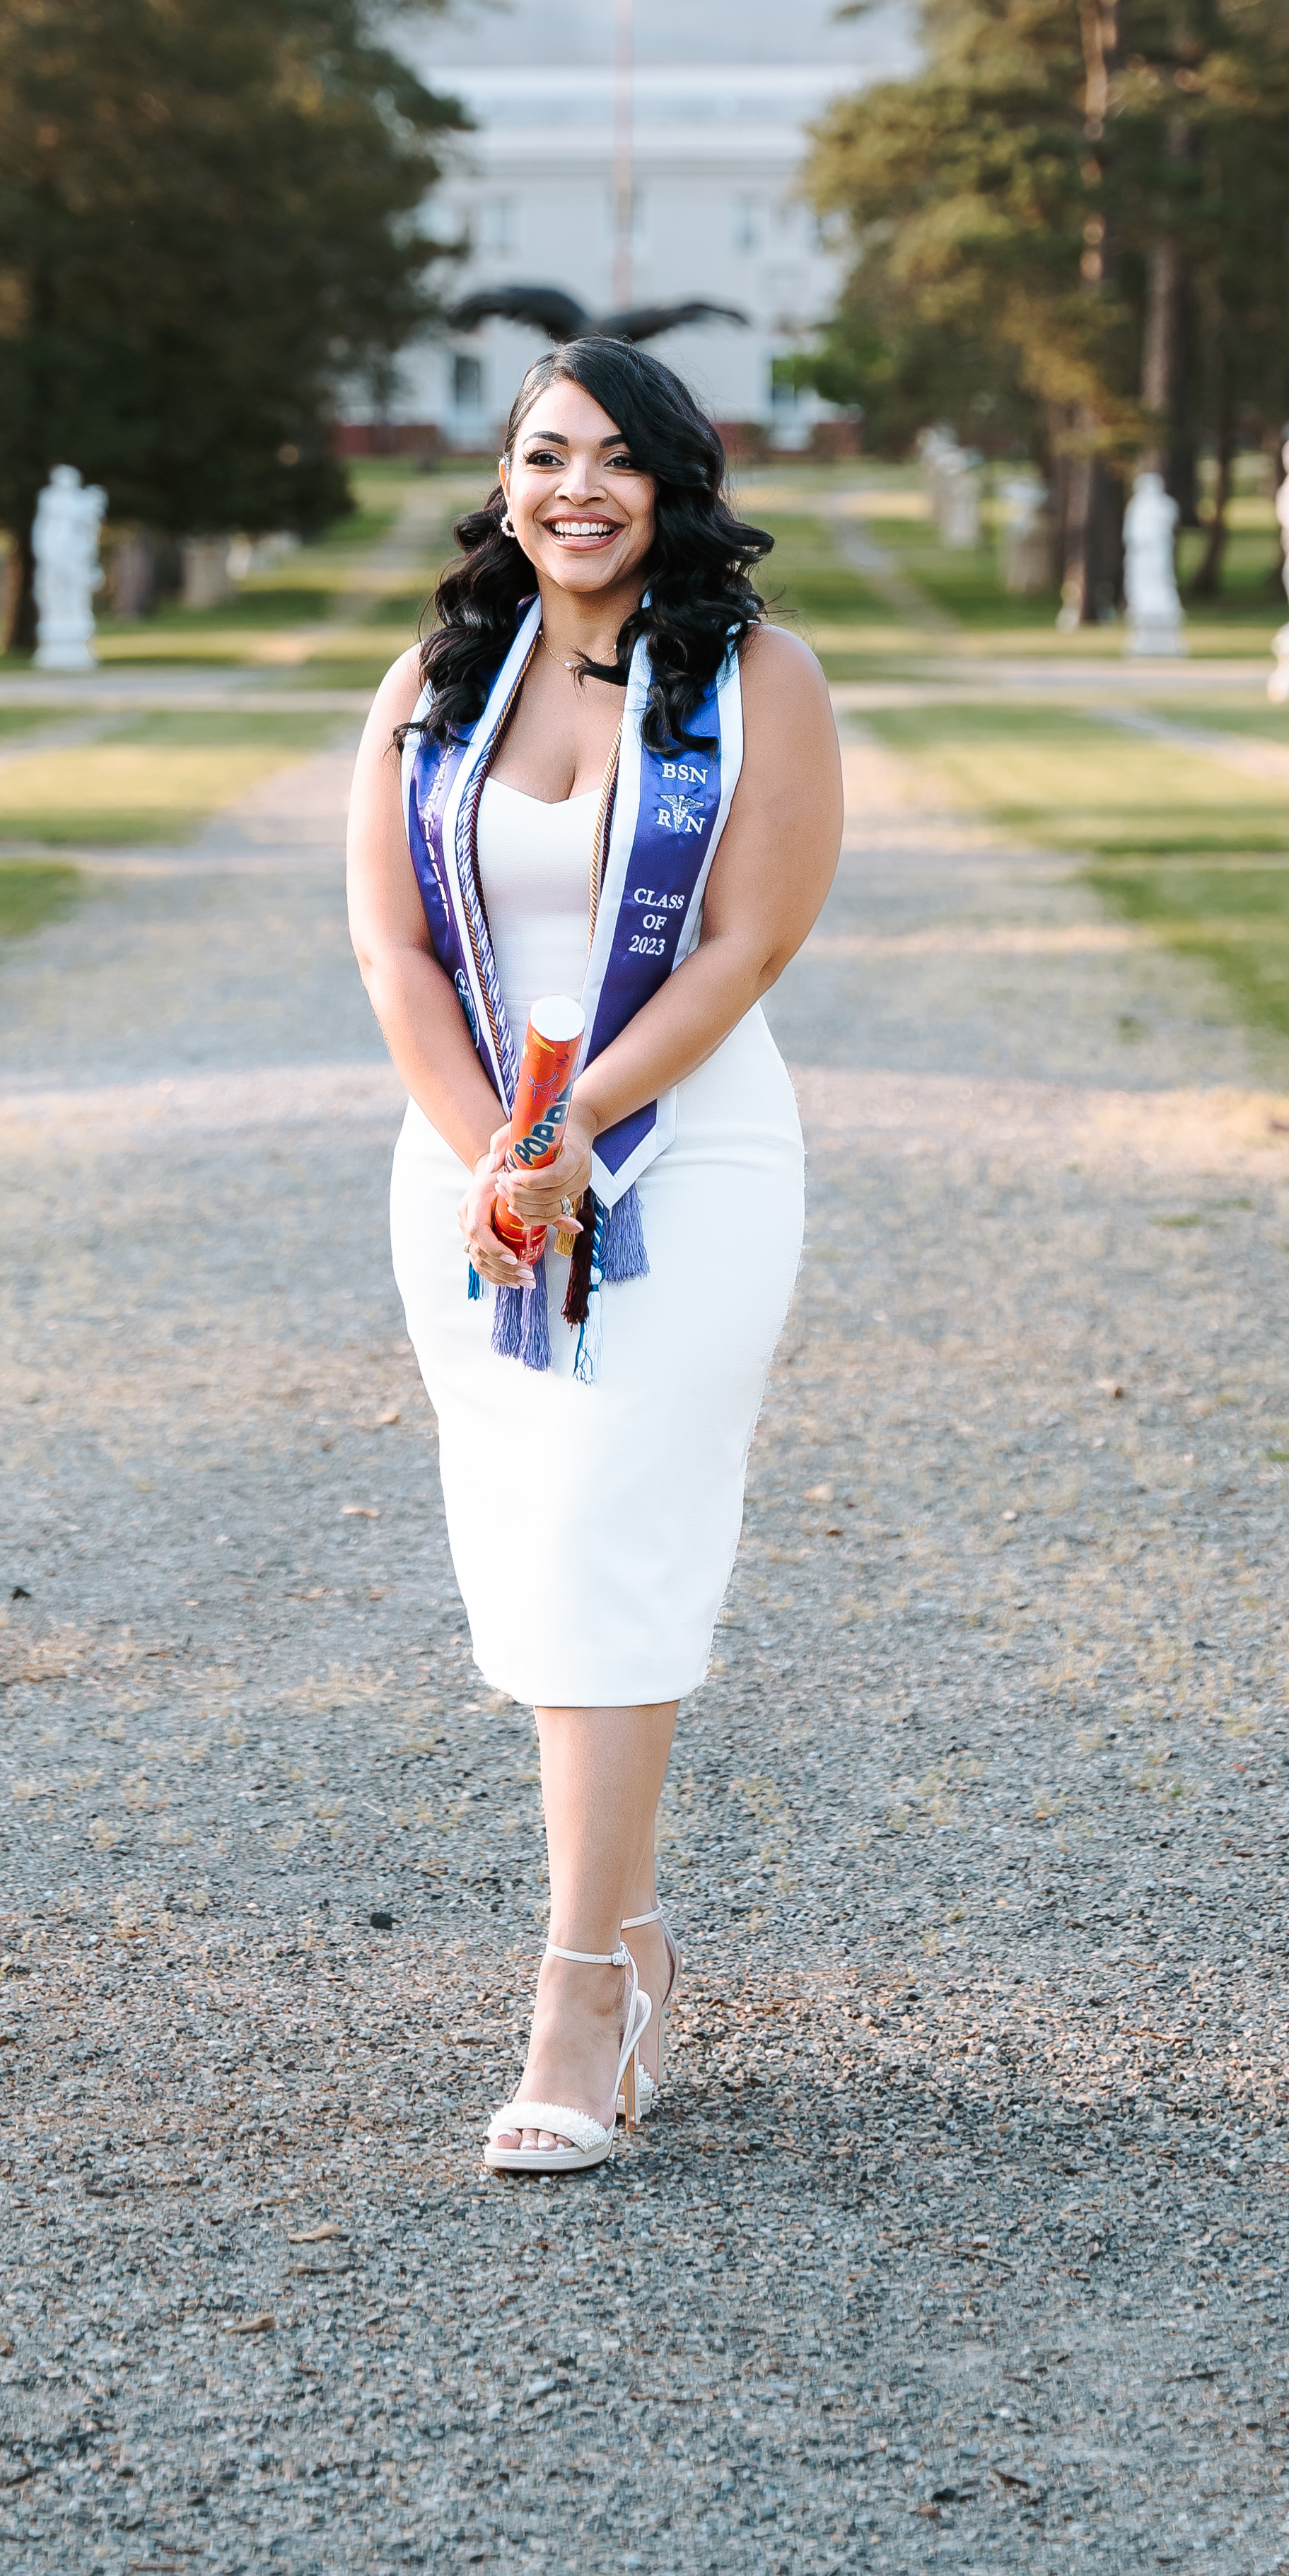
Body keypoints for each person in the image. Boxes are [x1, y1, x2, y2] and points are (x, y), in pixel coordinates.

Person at [346, 339, 844, 2175]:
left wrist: (579, 1126)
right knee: (524, 1546)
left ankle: (571, 2000)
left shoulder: (754, 678)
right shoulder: (438, 679)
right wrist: (496, 1137)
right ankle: (634, 1946)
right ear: (502, 478)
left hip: (687, 1151)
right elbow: (392, 944)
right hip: (470, 1162)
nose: (579, 488)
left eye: (619, 461)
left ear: (676, 486)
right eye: (546, 453)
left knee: (606, 1527)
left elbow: (745, 946)